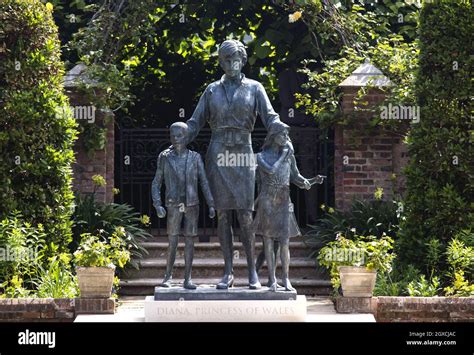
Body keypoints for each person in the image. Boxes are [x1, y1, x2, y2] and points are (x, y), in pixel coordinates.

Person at [185, 39, 289, 289]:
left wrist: (281, 129)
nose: (232, 65)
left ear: (243, 61)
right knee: (222, 215)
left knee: (245, 214)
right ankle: (228, 271)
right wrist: (178, 138)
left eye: (236, 60)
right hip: (218, 153)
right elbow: (195, 122)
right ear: (221, 62)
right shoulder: (211, 90)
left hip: (243, 153)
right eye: (227, 60)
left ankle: (252, 271)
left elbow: (270, 117)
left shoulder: (255, 88)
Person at [151, 122, 215, 289]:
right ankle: (167, 276)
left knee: (190, 241)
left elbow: (204, 182)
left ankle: (188, 278)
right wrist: (157, 204)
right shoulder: (164, 157)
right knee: (172, 241)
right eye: (173, 136)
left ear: (187, 137)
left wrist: (211, 204)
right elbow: (156, 182)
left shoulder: (195, 157)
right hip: (173, 204)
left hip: (192, 204)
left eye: (179, 136)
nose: (175, 139)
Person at [253, 123, 312, 291]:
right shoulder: (261, 156)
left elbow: (295, 176)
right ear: (273, 136)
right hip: (267, 201)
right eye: (283, 135)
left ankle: (286, 278)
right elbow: (271, 171)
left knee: (285, 241)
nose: (286, 139)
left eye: (287, 136)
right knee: (269, 241)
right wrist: (284, 155)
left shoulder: (288, 156)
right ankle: (272, 279)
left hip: (284, 199)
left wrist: (308, 181)